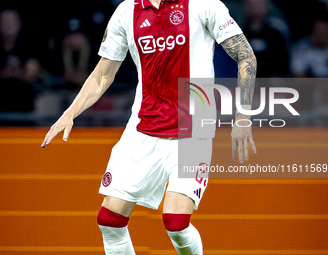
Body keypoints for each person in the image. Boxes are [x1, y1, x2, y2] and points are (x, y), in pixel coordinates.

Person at [41, 0, 257, 253]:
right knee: (109, 222)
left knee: (175, 223)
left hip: (192, 129)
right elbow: (103, 75)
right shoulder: (126, 12)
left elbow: (245, 54)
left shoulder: (203, 4)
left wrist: (243, 116)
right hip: (142, 129)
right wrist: (70, 113)